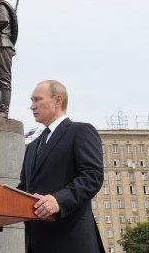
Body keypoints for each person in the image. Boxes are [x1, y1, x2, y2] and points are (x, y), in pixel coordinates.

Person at [16, 80, 105, 253]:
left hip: (71, 240)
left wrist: (58, 200)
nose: (31, 106)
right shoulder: (32, 147)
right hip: (37, 243)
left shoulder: (80, 131)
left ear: (58, 100)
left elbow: (92, 176)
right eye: (32, 100)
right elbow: (24, 189)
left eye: (37, 99)